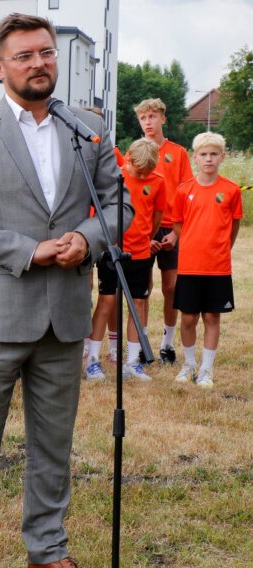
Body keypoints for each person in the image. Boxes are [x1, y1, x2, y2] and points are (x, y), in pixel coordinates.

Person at [0, 13, 131, 568]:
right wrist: (29, 250)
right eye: (24, 55)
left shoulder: (87, 128)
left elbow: (119, 205)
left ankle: (48, 548)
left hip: (65, 312)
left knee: (53, 445)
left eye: (45, 52)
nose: (39, 63)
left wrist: (87, 237)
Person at [84, 138, 165, 382]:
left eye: (145, 172)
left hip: (140, 254)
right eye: (137, 170)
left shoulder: (158, 182)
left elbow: (157, 218)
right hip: (111, 252)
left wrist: (145, 240)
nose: (141, 175)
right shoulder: (113, 179)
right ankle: (93, 361)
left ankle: (132, 361)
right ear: (127, 157)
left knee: (138, 304)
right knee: (107, 301)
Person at [170, 132, 242, 388]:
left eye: (213, 154)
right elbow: (178, 225)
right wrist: (193, 243)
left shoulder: (231, 190)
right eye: (203, 154)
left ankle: (206, 370)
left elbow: (233, 227)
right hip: (190, 265)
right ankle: (188, 365)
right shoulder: (183, 190)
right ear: (195, 158)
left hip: (218, 267)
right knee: (188, 317)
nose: (209, 159)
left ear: (222, 157)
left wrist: (220, 247)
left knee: (212, 316)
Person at [135, 98, 193, 365]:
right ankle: (142, 343)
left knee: (171, 287)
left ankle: (167, 345)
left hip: (171, 227)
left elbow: (187, 194)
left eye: (152, 117)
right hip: (144, 228)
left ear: (162, 119)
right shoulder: (135, 151)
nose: (148, 122)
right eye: (143, 118)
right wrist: (144, 235)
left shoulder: (178, 153)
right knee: (142, 288)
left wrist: (177, 233)